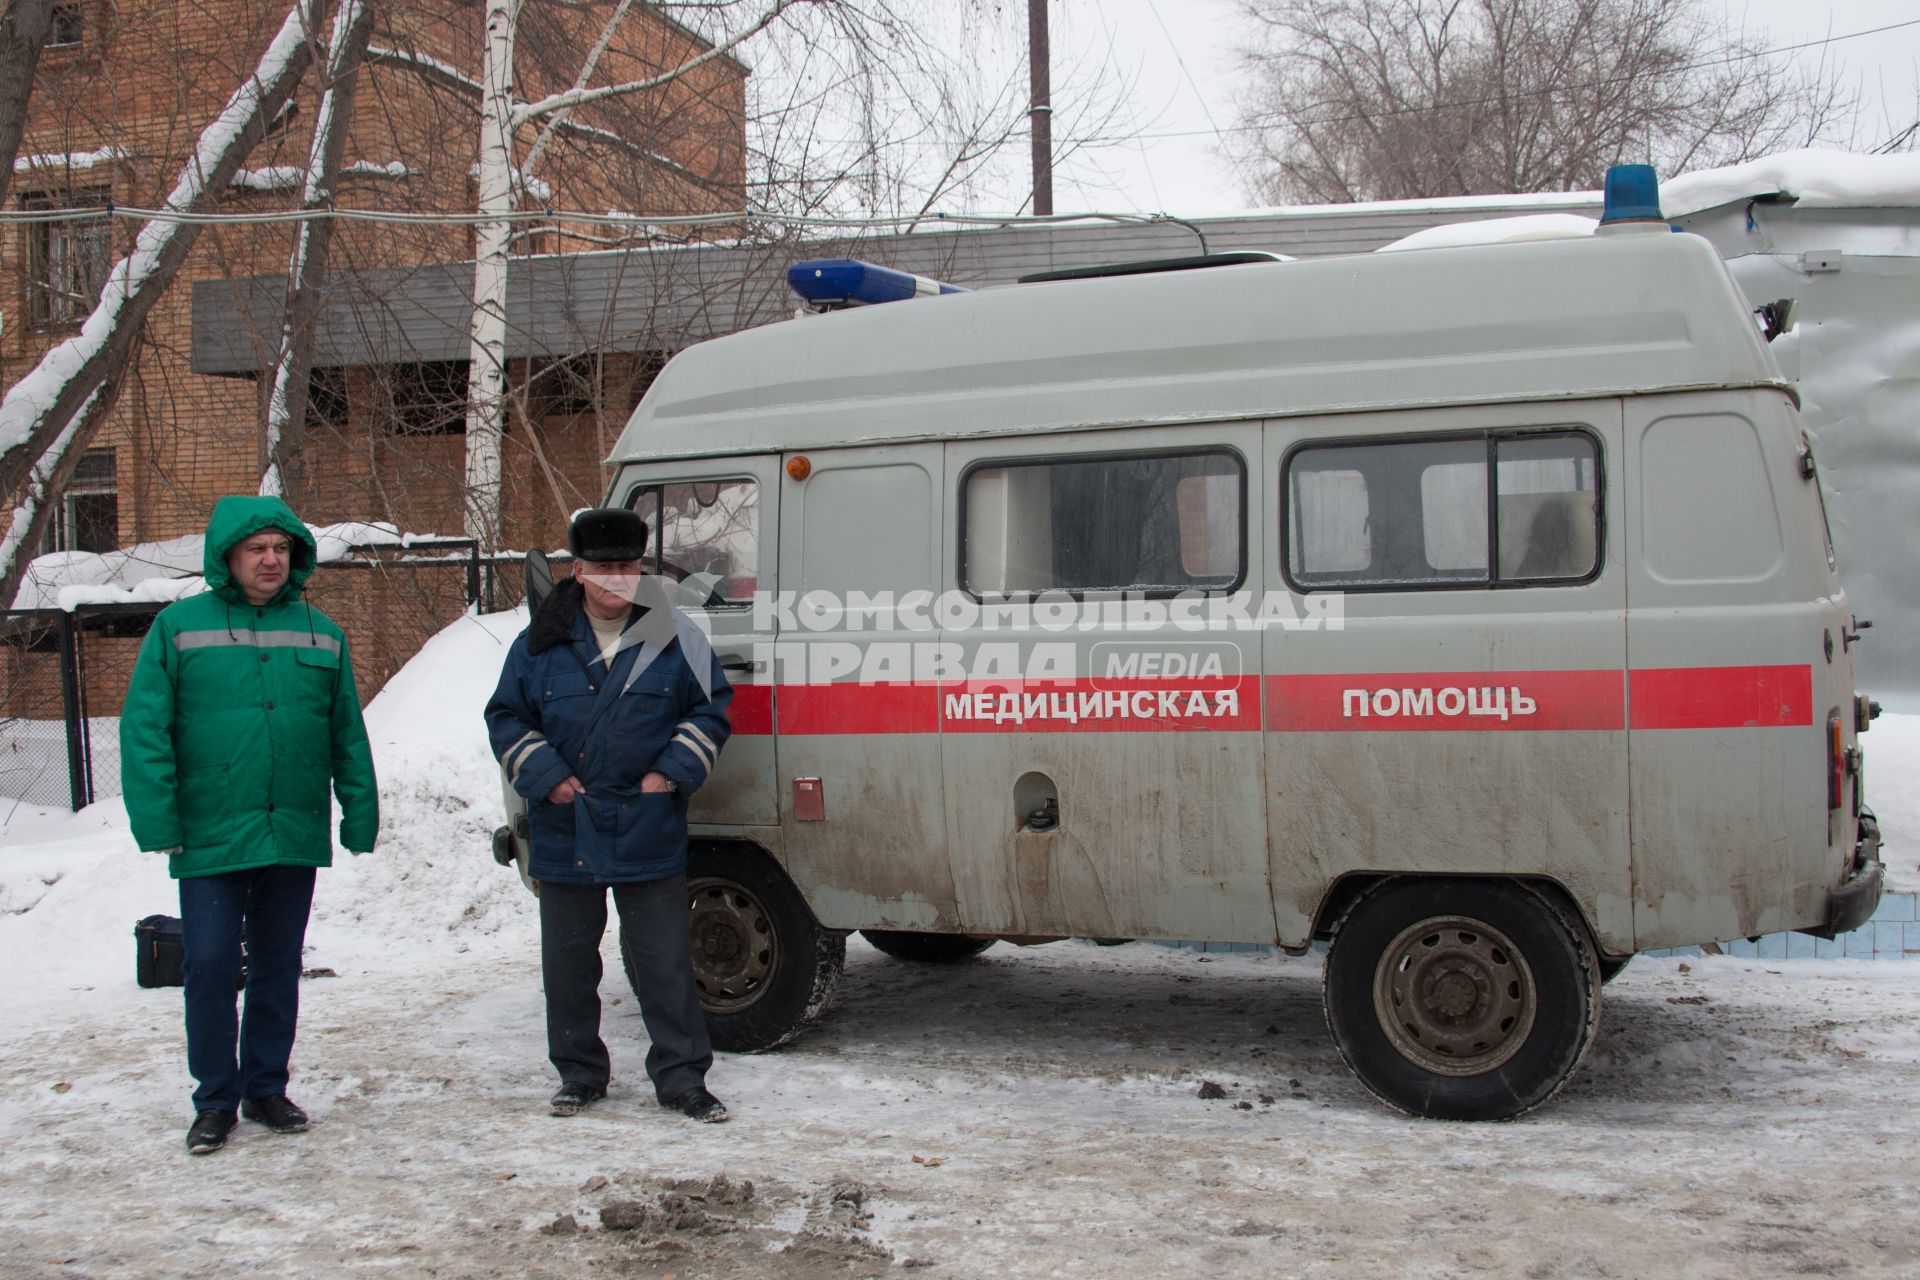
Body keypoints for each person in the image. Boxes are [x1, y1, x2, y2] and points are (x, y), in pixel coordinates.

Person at [120, 495, 379, 1155]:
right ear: (227, 557)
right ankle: (215, 1099)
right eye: (257, 549)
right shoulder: (178, 628)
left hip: (290, 827)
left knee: (276, 965)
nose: (270, 560)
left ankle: (265, 1087)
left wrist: (359, 808)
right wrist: (158, 817)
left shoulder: (322, 632)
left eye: (281, 549)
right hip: (211, 828)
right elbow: (144, 729)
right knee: (208, 964)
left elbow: (346, 730)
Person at [486, 508, 734, 1123]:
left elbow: (712, 711)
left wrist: (668, 773)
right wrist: (547, 778)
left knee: (664, 964)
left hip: (646, 819)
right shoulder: (536, 646)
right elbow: (506, 718)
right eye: (603, 568)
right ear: (578, 572)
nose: (616, 579)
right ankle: (579, 1074)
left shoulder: (680, 638)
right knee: (568, 964)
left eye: (626, 567)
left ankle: (682, 1080)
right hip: (567, 821)